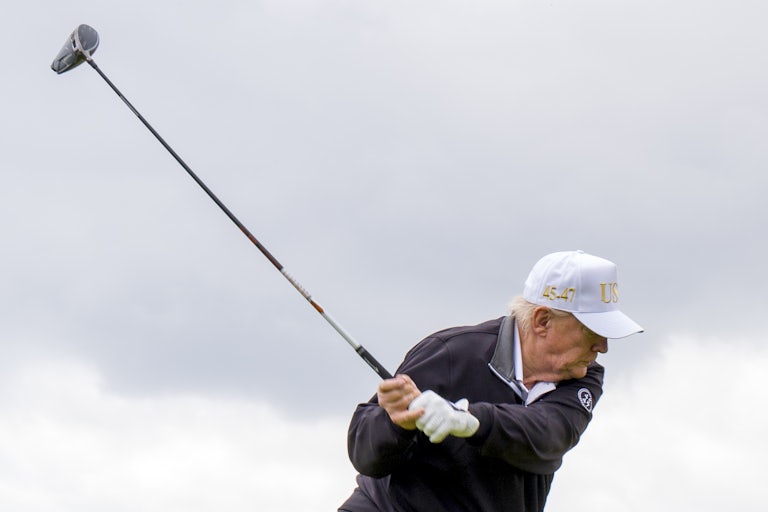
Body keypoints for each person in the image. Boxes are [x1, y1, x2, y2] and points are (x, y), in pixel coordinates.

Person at [338, 250, 643, 512]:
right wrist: (397, 424)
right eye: (592, 331)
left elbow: (549, 433)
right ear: (542, 321)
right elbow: (367, 456)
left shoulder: (584, 378)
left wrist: (470, 420)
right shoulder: (451, 353)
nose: (602, 346)